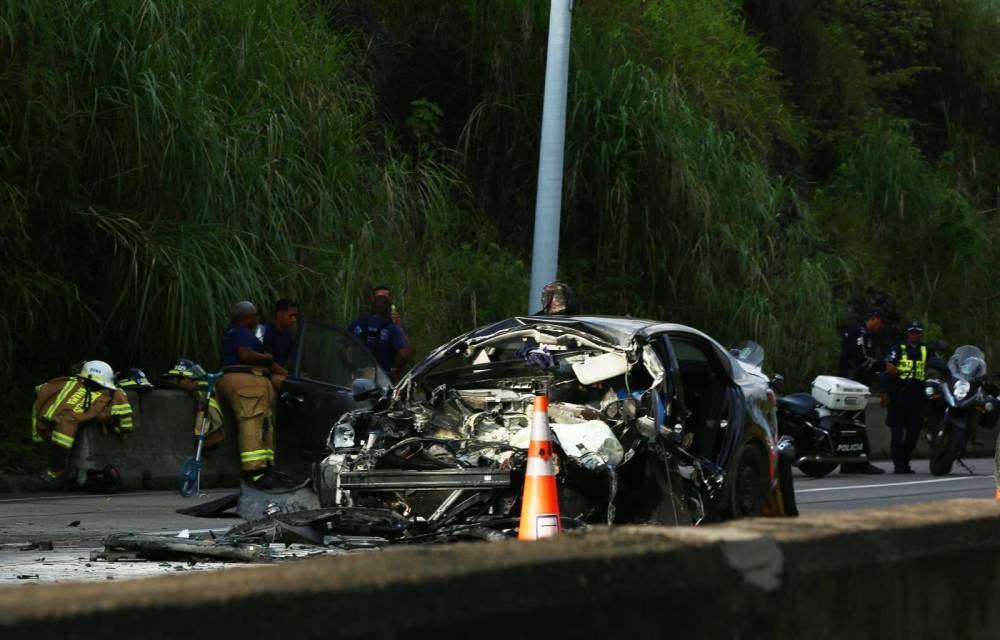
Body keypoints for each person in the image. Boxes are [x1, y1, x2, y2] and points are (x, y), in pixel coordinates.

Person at [31, 361, 134, 490]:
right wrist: (117, 427)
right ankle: (56, 474)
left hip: (50, 425)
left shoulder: (66, 383)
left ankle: (55, 474)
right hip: (55, 426)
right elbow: (126, 425)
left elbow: (42, 390)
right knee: (65, 428)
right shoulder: (113, 393)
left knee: (65, 428)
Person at [216, 301, 280, 487]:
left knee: (263, 423)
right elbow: (245, 354)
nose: (255, 319)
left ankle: (266, 467)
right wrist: (267, 358)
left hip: (236, 378)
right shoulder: (242, 332)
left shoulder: (231, 332)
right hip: (244, 379)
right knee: (252, 422)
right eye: (254, 316)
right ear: (248, 317)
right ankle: (255, 472)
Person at [882, 320, 947, 474]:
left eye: (917, 332)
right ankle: (898, 465)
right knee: (897, 432)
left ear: (921, 333)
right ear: (907, 333)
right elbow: (886, 367)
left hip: (917, 396)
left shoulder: (926, 350)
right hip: (898, 394)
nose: (915, 335)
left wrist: (950, 372)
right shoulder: (898, 348)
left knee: (914, 431)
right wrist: (884, 392)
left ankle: (905, 462)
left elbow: (938, 364)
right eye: (912, 332)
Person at [836, 307, 887, 474]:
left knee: (855, 421)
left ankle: (852, 460)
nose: (882, 326)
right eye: (881, 322)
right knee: (856, 422)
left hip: (859, 385)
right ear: (875, 319)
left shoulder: (868, 336)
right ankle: (859, 460)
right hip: (851, 382)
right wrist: (883, 365)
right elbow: (861, 359)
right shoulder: (858, 332)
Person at [349, 291, 410, 381]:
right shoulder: (391, 328)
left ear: (371, 308)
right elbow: (404, 354)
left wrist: (349, 367)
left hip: (358, 375)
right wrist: (396, 370)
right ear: (388, 310)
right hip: (383, 378)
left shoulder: (356, 323)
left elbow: (341, 346)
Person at [260, 299, 300, 371]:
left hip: (279, 374)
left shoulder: (288, 337)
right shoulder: (264, 331)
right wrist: (285, 374)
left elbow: (289, 361)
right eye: (291, 316)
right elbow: (263, 360)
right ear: (279, 314)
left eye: (295, 316)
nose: (294, 320)